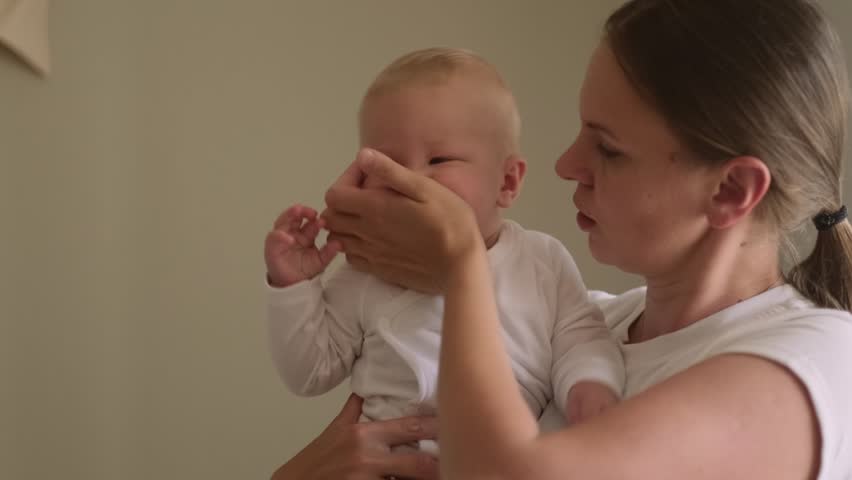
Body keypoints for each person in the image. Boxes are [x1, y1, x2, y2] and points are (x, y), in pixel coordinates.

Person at [274, 0, 852, 478]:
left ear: (731, 190)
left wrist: (461, 263)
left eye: (608, 148)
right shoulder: (583, 326)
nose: (565, 164)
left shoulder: (820, 362)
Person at [264, 47, 624, 455]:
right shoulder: (368, 269)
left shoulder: (541, 262)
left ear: (507, 181)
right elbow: (308, 373)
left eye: (440, 159)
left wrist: (591, 385)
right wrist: (293, 286)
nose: (410, 180)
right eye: (386, 165)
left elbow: (581, 337)